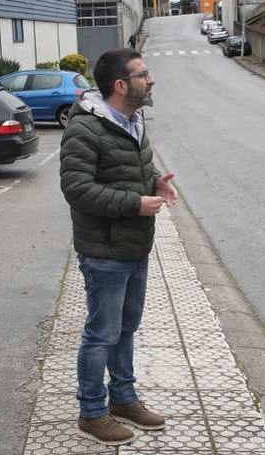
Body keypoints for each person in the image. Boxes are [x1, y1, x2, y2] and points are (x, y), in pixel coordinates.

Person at [59, 48, 178, 446]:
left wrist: (156, 181)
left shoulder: (131, 119)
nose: (152, 80)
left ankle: (123, 398)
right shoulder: (86, 128)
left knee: (126, 327)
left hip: (134, 245)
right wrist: (134, 204)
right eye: (144, 74)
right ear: (121, 85)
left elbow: (137, 168)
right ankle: (92, 412)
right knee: (102, 333)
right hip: (104, 249)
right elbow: (76, 189)